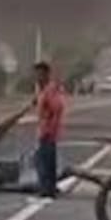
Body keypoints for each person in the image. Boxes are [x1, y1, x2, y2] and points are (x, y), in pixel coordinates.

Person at [31, 61, 66, 199]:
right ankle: (50, 188)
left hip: (47, 132)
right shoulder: (44, 90)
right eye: (36, 74)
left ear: (46, 74)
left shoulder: (50, 90)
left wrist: (49, 129)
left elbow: (56, 109)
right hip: (45, 131)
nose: (37, 77)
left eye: (39, 74)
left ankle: (47, 189)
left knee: (42, 161)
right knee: (47, 161)